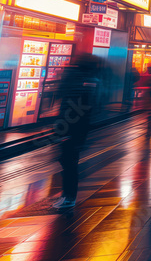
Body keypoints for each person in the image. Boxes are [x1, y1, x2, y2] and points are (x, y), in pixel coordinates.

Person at [53, 54, 104, 209]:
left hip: (71, 129)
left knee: (69, 163)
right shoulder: (89, 81)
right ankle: (67, 196)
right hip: (73, 129)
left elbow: (78, 108)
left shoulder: (82, 81)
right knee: (68, 162)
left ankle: (68, 197)